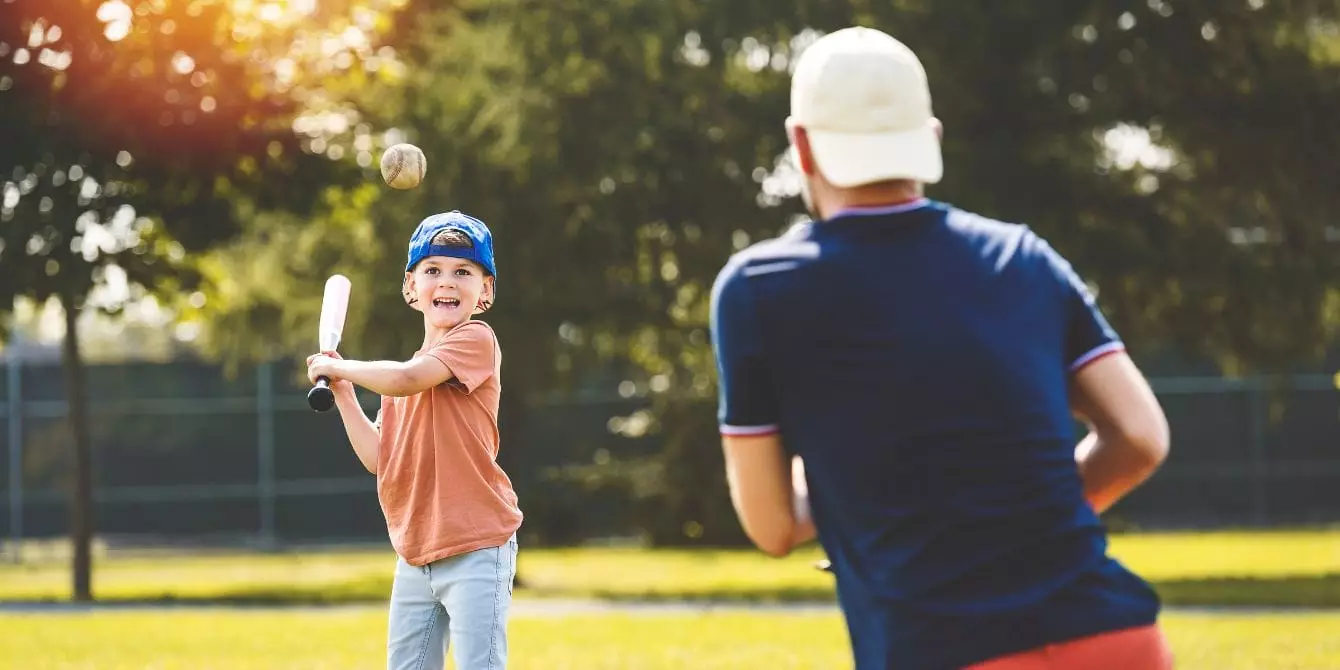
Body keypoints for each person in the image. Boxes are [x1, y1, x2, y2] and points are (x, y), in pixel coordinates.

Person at [709, 26, 1175, 670]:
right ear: (930, 138)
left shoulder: (757, 290)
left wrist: (864, 498)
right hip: (1116, 640)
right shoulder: (1024, 258)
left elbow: (773, 525)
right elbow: (1141, 437)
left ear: (802, 146)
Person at [307, 210, 522, 670]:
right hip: (415, 553)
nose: (447, 282)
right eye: (433, 270)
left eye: (463, 272)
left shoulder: (475, 340)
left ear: (485, 291)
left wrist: (341, 368)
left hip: (476, 548)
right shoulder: (395, 380)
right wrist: (345, 393)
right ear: (411, 287)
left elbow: (407, 378)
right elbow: (379, 460)